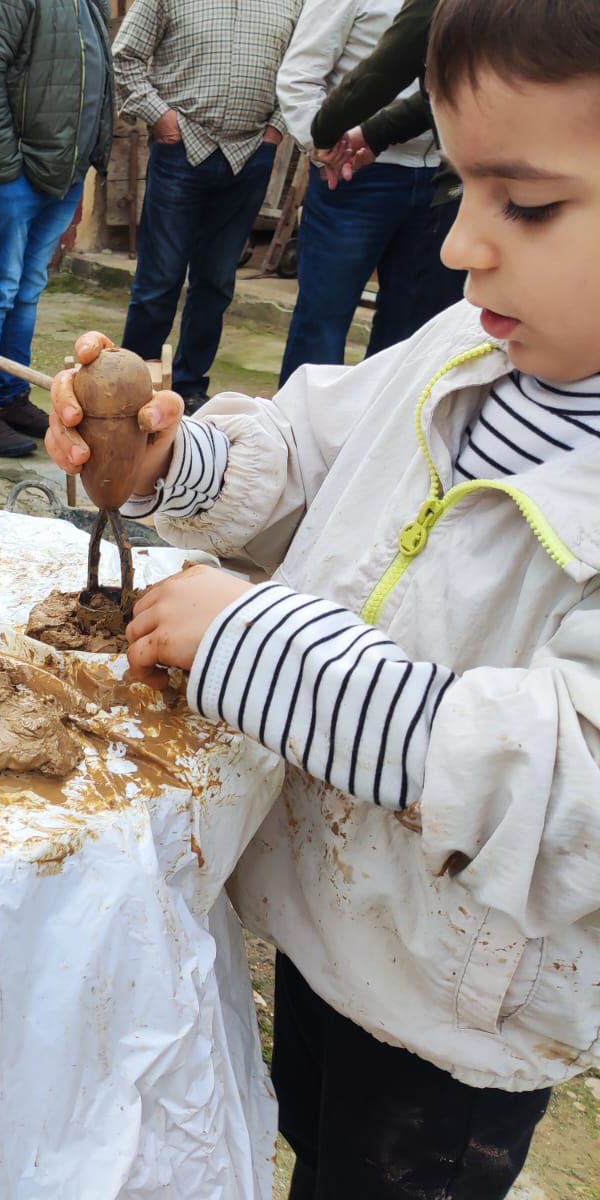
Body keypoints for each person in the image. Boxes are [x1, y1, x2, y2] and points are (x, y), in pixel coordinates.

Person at [47, 1, 600, 1195]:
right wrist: (164, 463)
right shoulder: (466, 342)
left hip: (458, 1011)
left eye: (529, 204)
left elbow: (565, 785)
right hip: (330, 921)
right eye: (460, 189)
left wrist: (248, 634)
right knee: (309, 1136)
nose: (459, 246)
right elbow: (306, 448)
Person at [111, 0, 303, 413]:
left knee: (216, 283)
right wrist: (160, 116)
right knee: (159, 280)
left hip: (251, 153)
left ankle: (189, 387)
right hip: (180, 150)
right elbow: (124, 57)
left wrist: (276, 132)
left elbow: (301, 69)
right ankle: (135, 390)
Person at [0, 0, 115, 458]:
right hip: (12, 173)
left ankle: (11, 396)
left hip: (64, 172)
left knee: (27, 289)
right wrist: (5, 170)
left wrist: (85, 166)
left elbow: (97, 88)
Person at [275, 0, 464, 384]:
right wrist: (324, 144)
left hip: (440, 175)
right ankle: (301, 433)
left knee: (412, 325)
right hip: (357, 174)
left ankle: (383, 433)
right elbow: (299, 76)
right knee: (324, 318)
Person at [309, 0, 440, 193]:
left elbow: (388, 70)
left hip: (445, 168)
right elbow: (302, 74)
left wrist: (325, 134)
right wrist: (328, 146)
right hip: (366, 165)